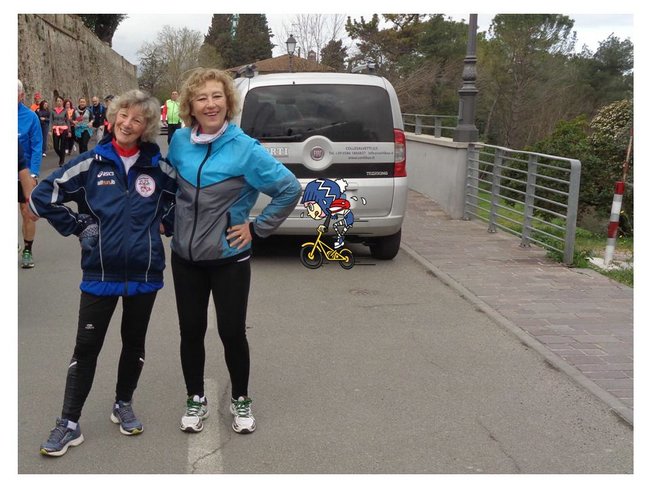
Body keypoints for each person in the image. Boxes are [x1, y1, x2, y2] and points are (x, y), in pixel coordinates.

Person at [29, 89, 177, 457]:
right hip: (100, 273)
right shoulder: (90, 164)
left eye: (137, 119)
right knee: (86, 347)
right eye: (122, 115)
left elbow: (183, 201)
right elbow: (41, 196)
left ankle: (123, 403)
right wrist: (78, 225)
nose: (127, 123)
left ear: (146, 127)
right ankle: (69, 423)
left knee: (134, 343)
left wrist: (165, 224)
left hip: (144, 273)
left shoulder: (158, 169)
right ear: (112, 118)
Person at [166, 68, 301, 435]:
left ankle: (241, 398)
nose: (210, 104)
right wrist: (167, 219)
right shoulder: (179, 142)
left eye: (217, 96)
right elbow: (169, 186)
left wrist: (256, 228)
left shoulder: (246, 149)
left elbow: (289, 189)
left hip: (229, 258)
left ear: (228, 102)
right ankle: (195, 397)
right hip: (185, 258)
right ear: (190, 106)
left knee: (231, 332)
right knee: (190, 330)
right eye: (201, 98)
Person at [17, 79, 42, 269]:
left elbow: (36, 146)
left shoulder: (30, 117)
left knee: (26, 212)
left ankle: (27, 250)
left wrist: (33, 174)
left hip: (23, 173)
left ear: (21, 95)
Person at [51, 96, 70, 167]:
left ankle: (61, 161)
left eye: (60, 101)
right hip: (55, 129)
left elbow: (67, 121)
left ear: (62, 102)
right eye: (58, 101)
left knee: (62, 146)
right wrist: (50, 130)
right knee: (55, 146)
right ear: (56, 102)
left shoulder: (65, 110)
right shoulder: (53, 110)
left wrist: (69, 131)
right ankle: (62, 156)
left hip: (64, 129)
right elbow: (51, 120)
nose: (59, 102)